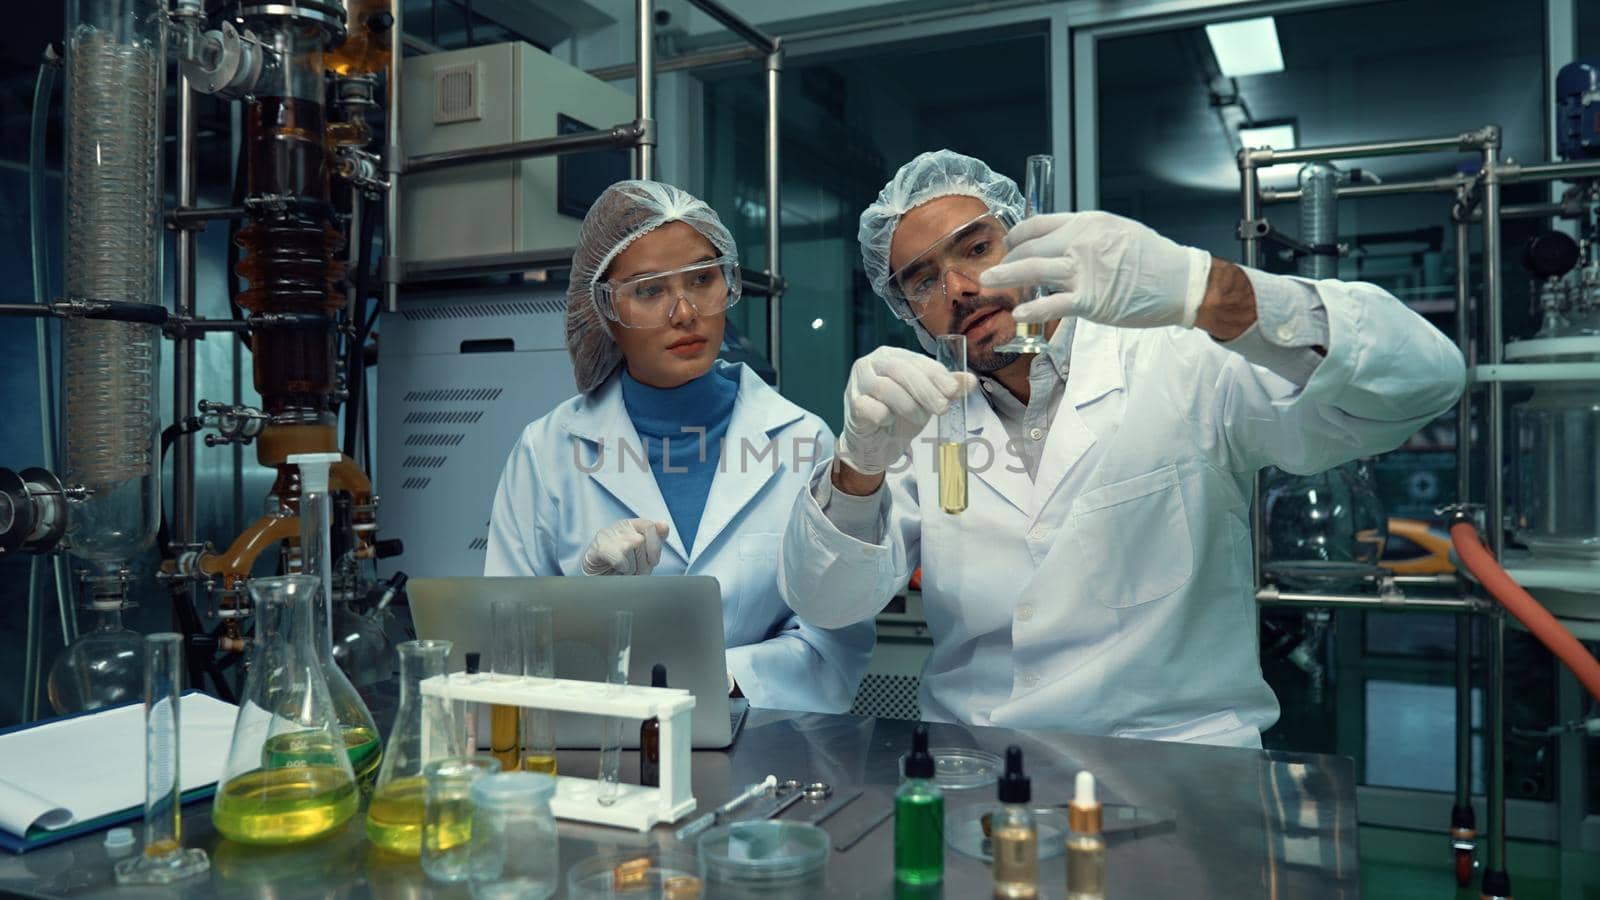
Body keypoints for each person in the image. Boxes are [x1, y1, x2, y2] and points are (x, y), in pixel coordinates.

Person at [778, 150, 1466, 747]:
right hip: (978, 767)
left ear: (1028, 241)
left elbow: (1423, 382)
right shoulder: (914, 417)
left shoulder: (1179, 360)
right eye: (922, 280)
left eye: (977, 247)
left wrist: (1208, 291)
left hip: (1175, 766)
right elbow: (830, 603)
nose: (958, 288)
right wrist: (857, 465)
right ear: (907, 311)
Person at [486, 180, 873, 714]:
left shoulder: (801, 440)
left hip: (768, 750)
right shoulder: (547, 451)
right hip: (605, 754)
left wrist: (720, 677)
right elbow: (505, 644)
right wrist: (586, 598)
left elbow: (837, 634)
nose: (686, 312)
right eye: (649, 290)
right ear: (603, 312)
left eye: (703, 279)